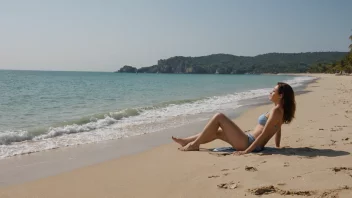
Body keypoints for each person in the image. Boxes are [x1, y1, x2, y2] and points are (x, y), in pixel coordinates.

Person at [172, 82, 296, 155]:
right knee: (217, 132)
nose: (270, 93)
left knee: (219, 116)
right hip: (249, 140)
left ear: (281, 95)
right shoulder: (280, 111)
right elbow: (277, 130)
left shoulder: (276, 111)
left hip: (249, 143)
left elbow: (264, 134)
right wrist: (278, 146)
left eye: (273, 91)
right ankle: (187, 141)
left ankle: (194, 144)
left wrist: (246, 151)